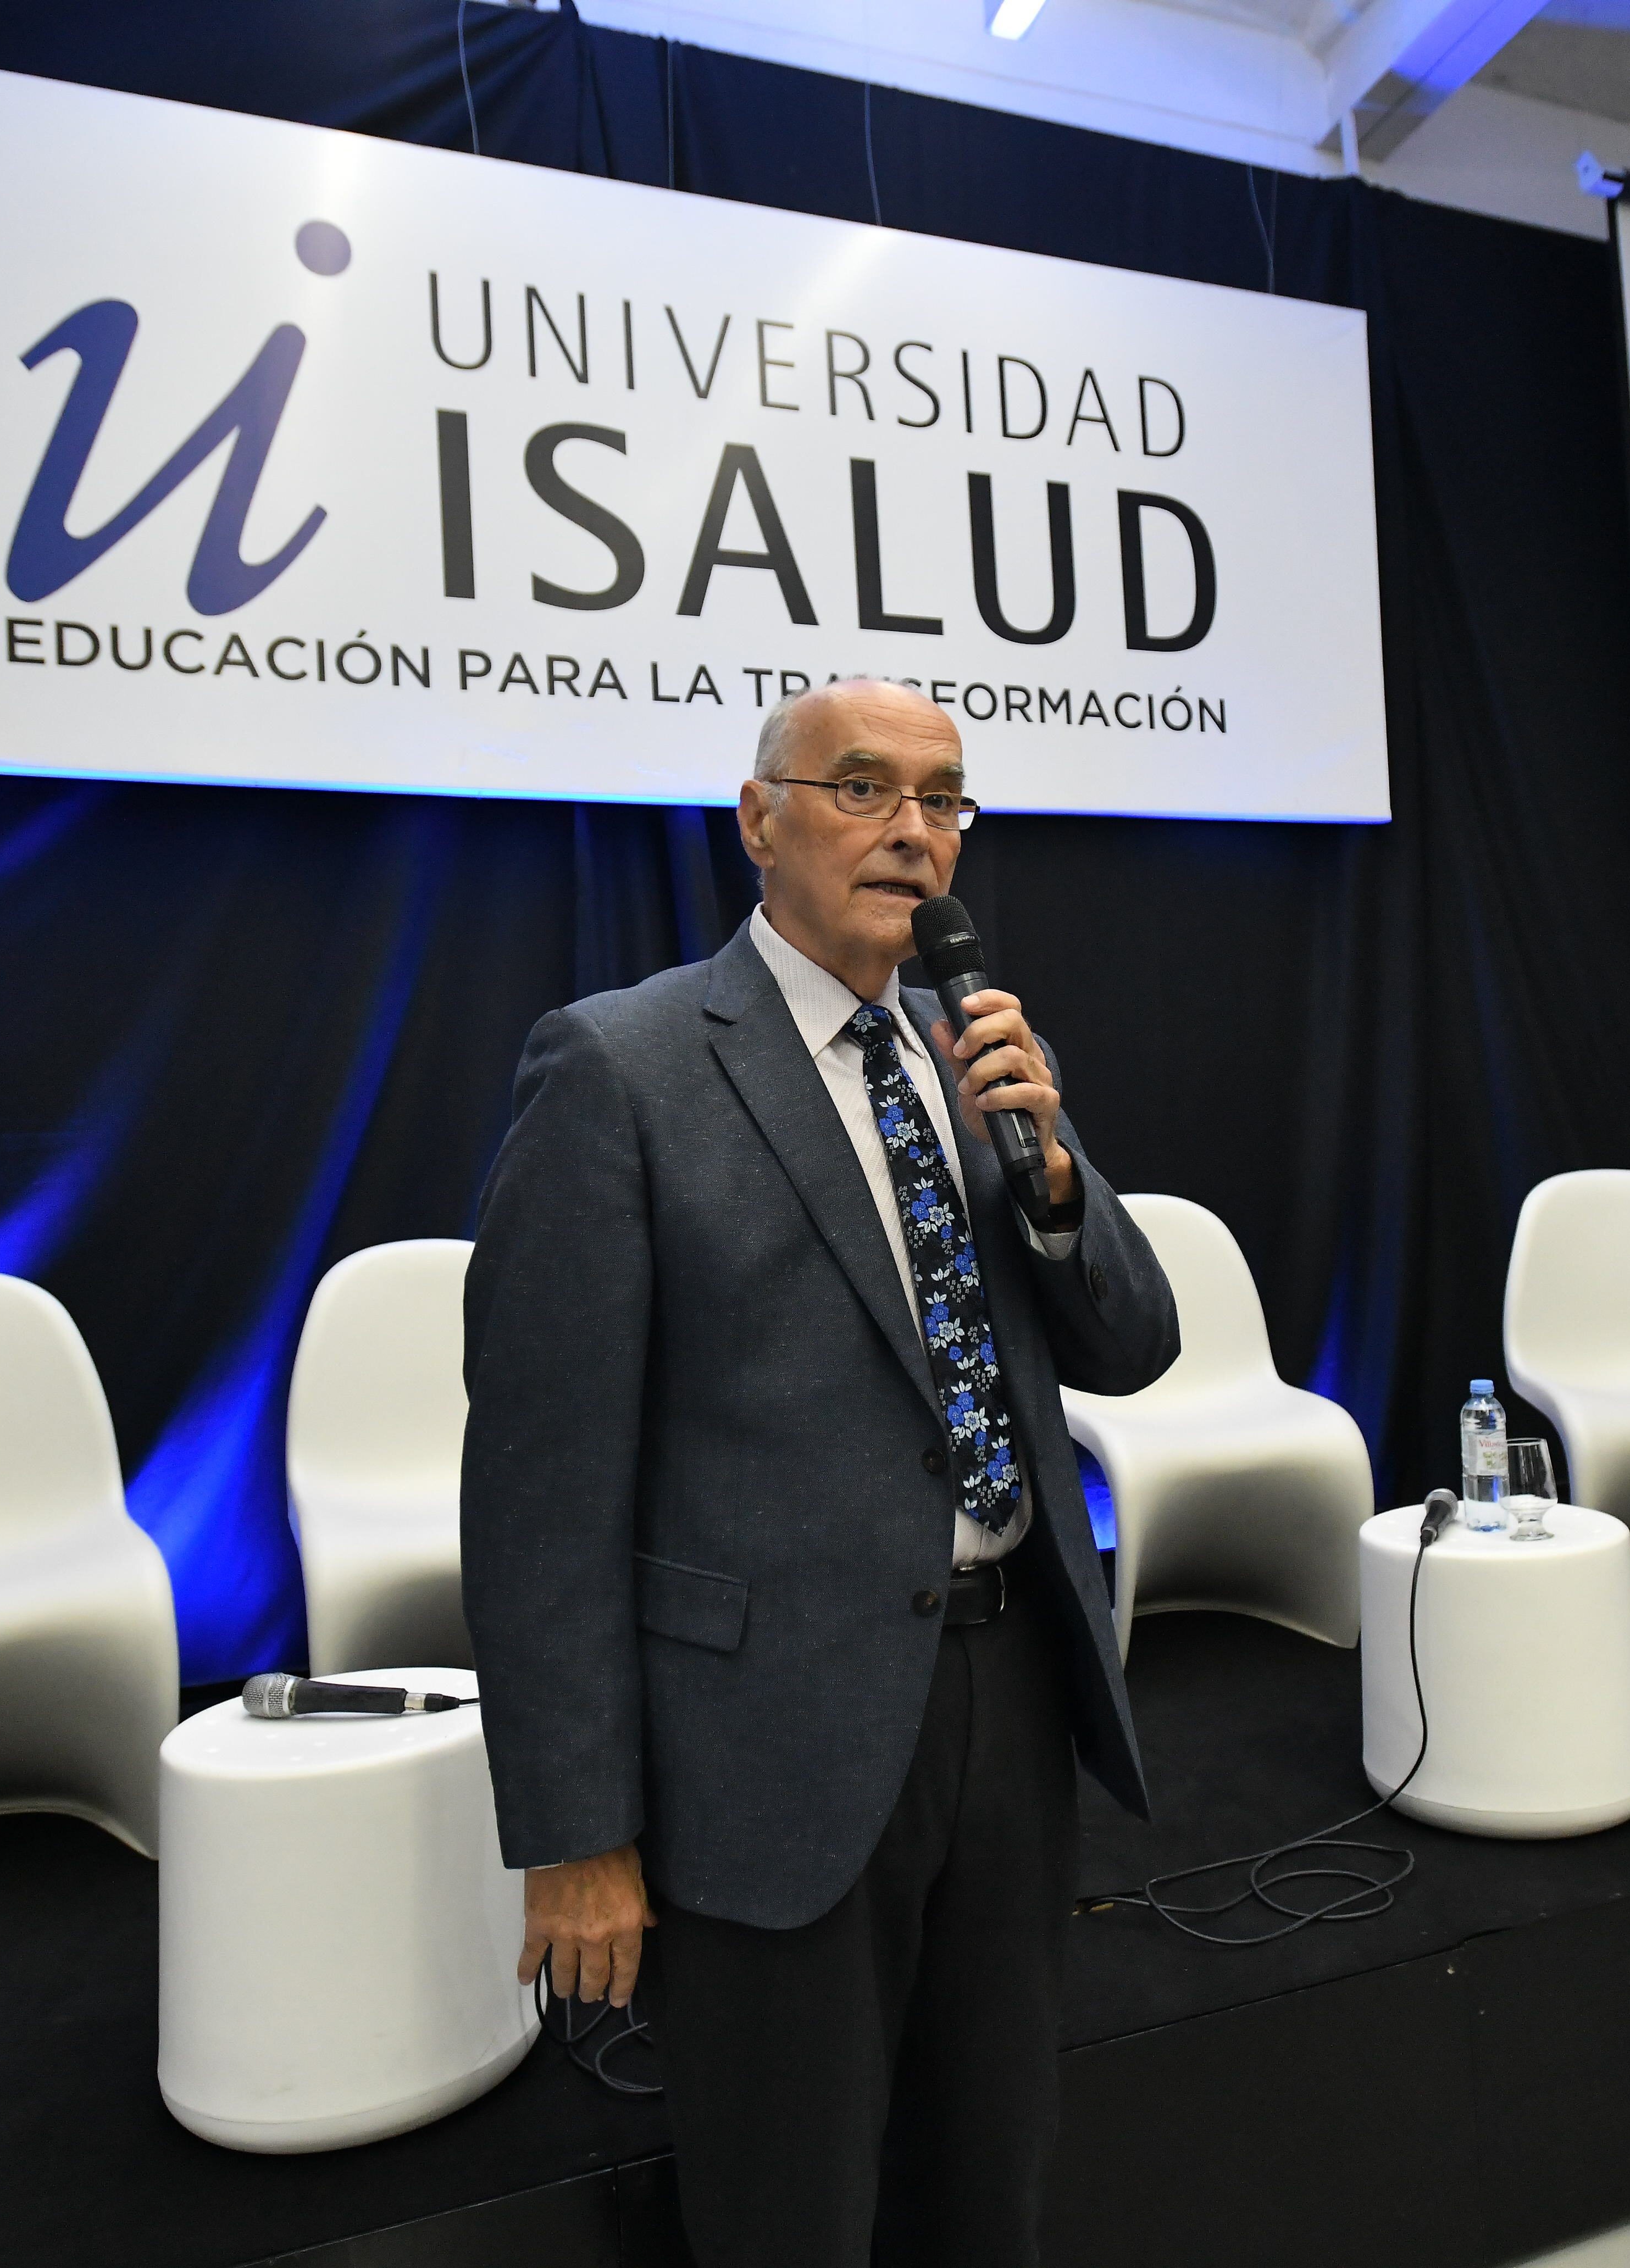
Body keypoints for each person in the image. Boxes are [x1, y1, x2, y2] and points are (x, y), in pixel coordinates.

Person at [458, 677, 1182, 2265]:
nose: (912, 831)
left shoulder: (982, 1055)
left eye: (942, 798)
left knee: (984, 2180)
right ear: (758, 819)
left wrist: (1057, 1178)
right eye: (862, 788)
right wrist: (576, 1830)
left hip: (1010, 1693)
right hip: (765, 1738)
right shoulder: (621, 1067)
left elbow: (1133, 1344)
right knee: (787, 2208)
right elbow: (536, 1492)